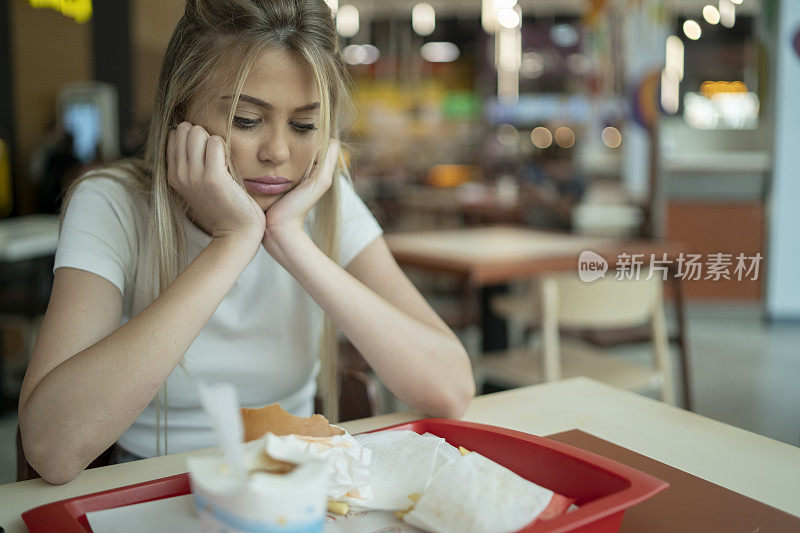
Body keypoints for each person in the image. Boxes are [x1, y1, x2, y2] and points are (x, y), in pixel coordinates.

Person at [18, 0, 474, 485]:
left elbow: (450, 389)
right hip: (151, 492)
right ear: (180, 111)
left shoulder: (323, 200)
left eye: (304, 126)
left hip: (294, 485)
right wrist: (232, 242)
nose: (278, 152)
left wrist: (289, 239)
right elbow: (52, 448)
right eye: (246, 120)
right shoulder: (113, 203)